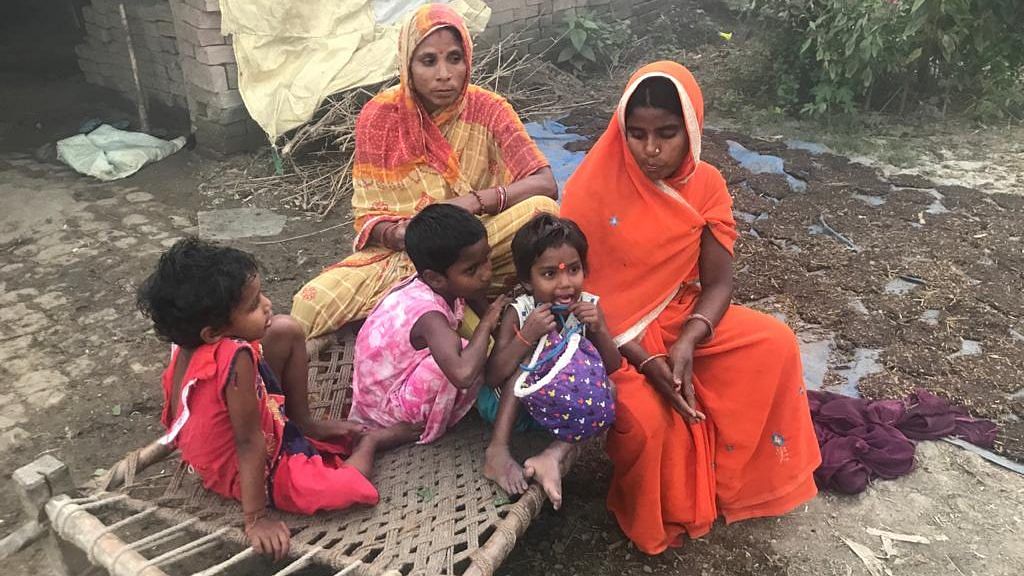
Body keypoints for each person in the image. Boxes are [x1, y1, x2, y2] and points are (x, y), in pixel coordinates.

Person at [560, 61, 821, 554]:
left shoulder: (707, 185)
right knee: (647, 416)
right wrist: (645, 358)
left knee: (774, 344)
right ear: (620, 129)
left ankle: (734, 486)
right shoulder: (589, 189)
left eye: (667, 133)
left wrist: (689, 339)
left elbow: (719, 283)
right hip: (609, 335)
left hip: (679, 317)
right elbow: (577, 297)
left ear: (692, 129)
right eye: (636, 134)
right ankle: (660, 510)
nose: (651, 149)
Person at [137, 238, 420, 560]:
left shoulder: (189, 344)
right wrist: (255, 517)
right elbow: (248, 442)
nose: (268, 304)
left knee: (285, 328)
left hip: (248, 431)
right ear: (213, 333)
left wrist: (301, 426)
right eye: (254, 305)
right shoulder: (234, 357)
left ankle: (304, 422)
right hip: (240, 467)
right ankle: (371, 443)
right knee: (341, 489)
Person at [291, 3, 558, 339]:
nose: (444, 74)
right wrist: (399, 236)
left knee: (542, 212)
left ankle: (420, 300)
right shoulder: (380, 116)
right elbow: (368, 217)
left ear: (467, 60)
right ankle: (439, 295)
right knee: (307, 306)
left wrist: (474, 203)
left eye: (454, 59)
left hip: (477, 242)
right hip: (404, 255)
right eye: (429, 61)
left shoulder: (490, 109)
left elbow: (546, 184)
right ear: (408, 64)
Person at [483, 214, 620, 510]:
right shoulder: (520, 312)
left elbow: (612, 366)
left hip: (557, 412)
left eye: (574, 270)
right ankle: (497, 450)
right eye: (549, 274)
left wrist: (600, 330)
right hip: (510, 409)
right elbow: (493, 376)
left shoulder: (589, 307)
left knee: (609, 388)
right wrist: (526, 336)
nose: (565, 284)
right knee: (527, 364)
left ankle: (554, 454)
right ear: (527, 282)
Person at [350, 204, 508, 443]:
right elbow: (463, 374)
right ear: (435, 278)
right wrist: (486, 323)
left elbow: (475, 296)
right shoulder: (429, 316)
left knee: (462, 348)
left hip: (384, 389)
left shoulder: (437, 285)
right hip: (387, 414)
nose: (486, 273)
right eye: (472, 269)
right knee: (465, 356)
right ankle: (415, 428)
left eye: (486, 258)